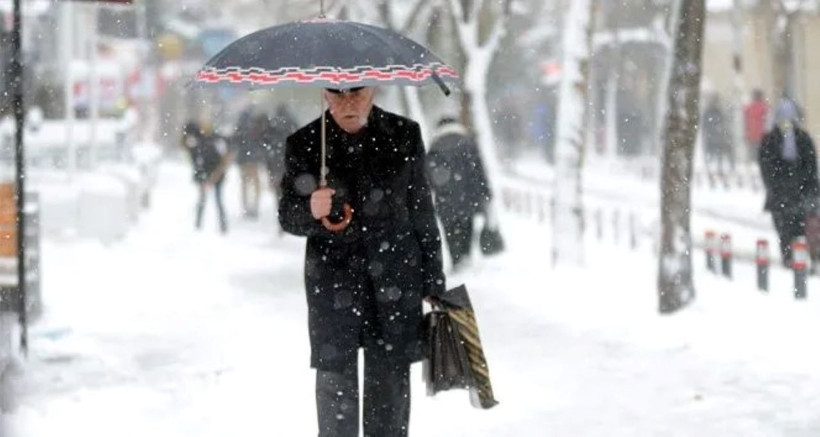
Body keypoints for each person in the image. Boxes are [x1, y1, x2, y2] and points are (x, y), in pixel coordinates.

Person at [278, 86, 445, 437]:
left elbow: (422, 212)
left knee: (390, 392)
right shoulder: (305, 143)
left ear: (374, 89)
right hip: (333, 284)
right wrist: (310, 209)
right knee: (334, 386)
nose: (347, 101)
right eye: (336, 93)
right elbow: (287, 216)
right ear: (323, 93)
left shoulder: (404, 135)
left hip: (396, 282)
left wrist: (434, 280)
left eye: (357, 91)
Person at [758, 98, 820, 266]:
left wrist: (809, 192)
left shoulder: (802, 139)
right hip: (783, 198)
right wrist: (779, 186)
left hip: (798, 197)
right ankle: (790, 263)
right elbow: (767, 168)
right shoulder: (771, 140)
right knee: (786, 233)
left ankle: (803, 262)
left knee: (801, 232)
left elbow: (811, 168)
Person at [426, 117, 491, 270]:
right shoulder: (468, 143)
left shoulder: (435, 146)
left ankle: (457, 261)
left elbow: (429, 176)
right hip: (469, 199)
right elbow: (479, 172)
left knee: (451, 234)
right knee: (467, 230)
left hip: (445, 201)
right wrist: (486, 194)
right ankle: (465, 259)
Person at [182, 118, 234, 234]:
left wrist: (214, 176)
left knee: (216, 200)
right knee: (206, 200)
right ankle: (199, 225)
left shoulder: (215, 141)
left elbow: (224, 160)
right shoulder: (199, 141)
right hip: (205, 174)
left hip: (214, 175)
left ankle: (219, 226)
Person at [234, 105, 265, 219]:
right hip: (253, 159)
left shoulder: (240, 127)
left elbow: (235, 142)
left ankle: (246, 207)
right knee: (255, 184)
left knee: (244, 184)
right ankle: (254, 206)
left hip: (243, 160)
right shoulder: (255, 127)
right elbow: (261, 142)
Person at [702, 95, 734, 175]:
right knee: (714, 153)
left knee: (712, 154)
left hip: (713, 135)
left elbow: (705, 124)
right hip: (715, 135)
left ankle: (712, 169)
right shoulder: (717, 112)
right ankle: (713, 169)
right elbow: (721, 122)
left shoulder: (712, 112)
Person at [744, 89, 770, 164]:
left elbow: (745, 121)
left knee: (752, 154)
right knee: (761, 154)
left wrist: (746, 132)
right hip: (762, 135)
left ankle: (753, 167)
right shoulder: (764, 108)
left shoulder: (748, 108)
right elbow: (768, 122)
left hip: (751, 134)